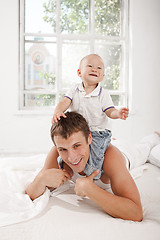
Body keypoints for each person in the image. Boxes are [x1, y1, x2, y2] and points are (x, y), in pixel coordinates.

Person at [25, 111, 160, 221]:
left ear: (89, 138)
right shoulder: (57, 152)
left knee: (144, 147)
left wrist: (90, 189)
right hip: (98, 145)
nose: (71, 158)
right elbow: (31, 193)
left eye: (77, 146)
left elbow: (135, 213)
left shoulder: (111, 157)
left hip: (126, 152)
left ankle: (154, 136)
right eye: (63, 149)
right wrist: (41, 179)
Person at [51, 53, 129, 179]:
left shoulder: (103, 94)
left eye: (99, 68)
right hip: (77, 131)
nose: (94, 69)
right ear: (79, 72)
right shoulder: (74, 89)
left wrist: (118, 113)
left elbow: (110, 111)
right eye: (90, 66)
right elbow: (65, 101)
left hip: (98, 132)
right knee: (68, 149)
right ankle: (66, 168)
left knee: (95, 155)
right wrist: (58, 111)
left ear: (102, 76)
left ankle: (93, 175)